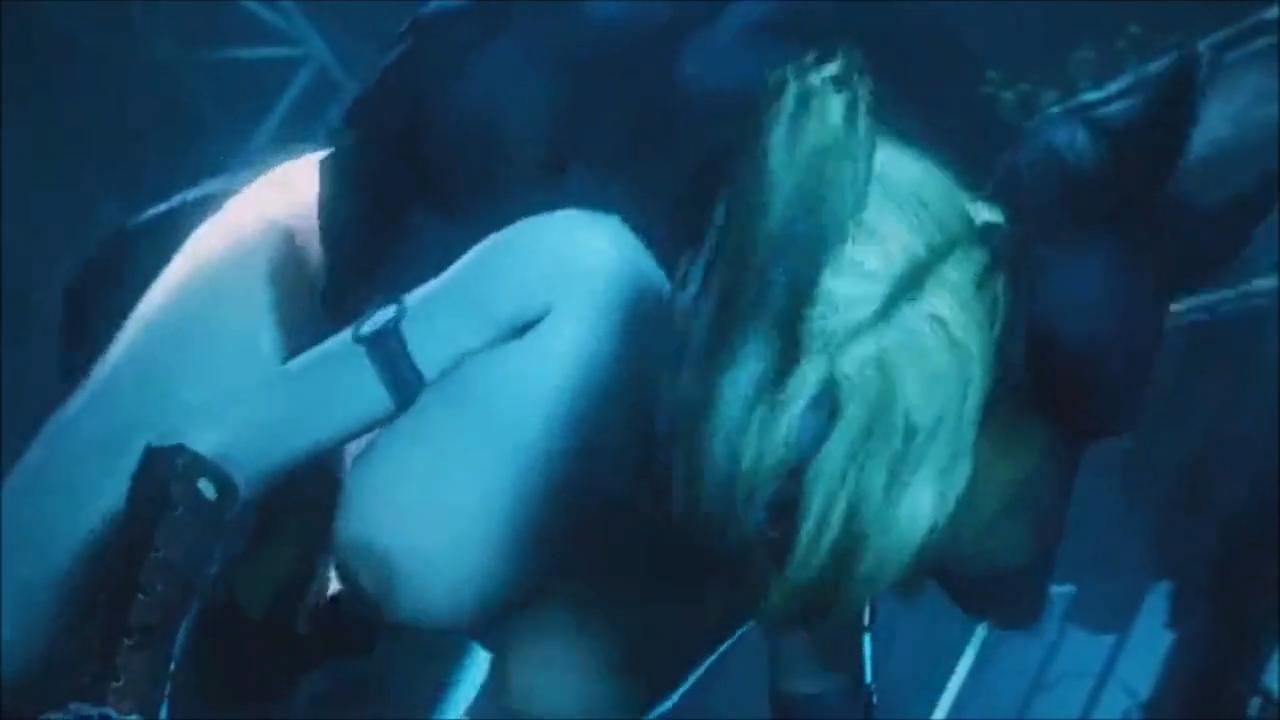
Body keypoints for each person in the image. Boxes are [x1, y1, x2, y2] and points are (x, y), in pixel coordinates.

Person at [3, 2, 1275, 718]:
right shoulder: (597, 264)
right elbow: (208, 464)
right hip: (371, 272)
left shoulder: (811, 494)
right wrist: (142, 658)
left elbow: (821, 669)